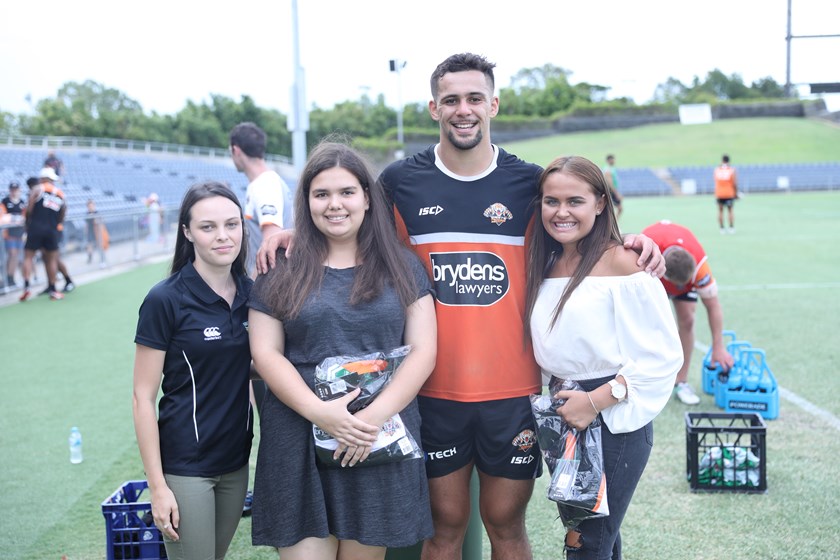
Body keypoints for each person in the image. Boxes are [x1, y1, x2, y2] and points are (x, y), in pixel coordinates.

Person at [258, 53, 665, 560]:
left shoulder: (528, 183)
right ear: (433, 107)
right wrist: (299, 230)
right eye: (451, 100)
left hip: (512, 392)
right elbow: (348, 219)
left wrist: (637, 242)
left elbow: (576, 224)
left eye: (475, 98)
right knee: (444, 528)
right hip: (430, 391)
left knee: (506, 525)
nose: (463, 109)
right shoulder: (400, 182)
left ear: (493, 104)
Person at [247, 140, 436, 559]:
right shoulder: (280, 266)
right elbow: (265, 353)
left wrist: (367, 421)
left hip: (374, 439)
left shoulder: (402, 266)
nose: (335, 205)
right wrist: (322, 414)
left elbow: (424, 351)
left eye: (346, 192)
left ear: (367, 198)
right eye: (321, 194)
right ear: (307, 202)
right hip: (297, 440)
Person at [525, 156, 683, 559]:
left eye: (574, 201)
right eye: (551, 201)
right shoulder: (544, 260)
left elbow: (663, 356)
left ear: (599, 203)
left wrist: (595, 402)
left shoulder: (624, 262)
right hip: (562, 411)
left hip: (612, 418)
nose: (561, 212)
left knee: (585, 543)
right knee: (600, 541)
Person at [132, 181, 254, 560]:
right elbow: (142, 397)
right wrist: (158, 486)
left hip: (236, 462)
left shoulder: (255, 294)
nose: (223, 236)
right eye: (208, 227)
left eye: (232, 224)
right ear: (187, 232)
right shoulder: (165, 299)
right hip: (187, 467)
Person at [642, 220, 735, 406]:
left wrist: (718, 347)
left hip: (678, 272)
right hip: (650, 275)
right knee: (645, 324)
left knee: (687, 320)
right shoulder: (644, 255)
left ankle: (681, 381)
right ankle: (640, 379)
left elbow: (713, 306)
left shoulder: (700, 267)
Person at [229, 121, 294, 279]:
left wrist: (252, 289)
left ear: (235, 150)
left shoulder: (265, 185)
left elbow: (271, 244)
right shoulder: (263, 183)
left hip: (269, 284)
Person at [19, 168, 68, 301]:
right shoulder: (61, 194)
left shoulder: (37, 189)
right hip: (51, 230)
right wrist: (54, 224)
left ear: (42, 178)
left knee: (28, 256)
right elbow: (63, 214)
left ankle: (27, 287)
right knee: (52, 259)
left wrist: (28, 223)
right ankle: (53, 289)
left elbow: (29, 209)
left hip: (35, 228)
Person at [1, 181, 26, 287]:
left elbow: (24, 217)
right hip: (8, 234)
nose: (14, 192)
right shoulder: (5, 201)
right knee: (12, 254)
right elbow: (3, 217)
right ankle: (8, 278)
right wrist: (13, 218)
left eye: (16, 190)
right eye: (12, 190)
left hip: (19, 233)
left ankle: (11, 277)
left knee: (16, 256)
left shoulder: (21, 202)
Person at [714, 154, 737, 233]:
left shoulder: (717, 169)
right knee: (730, 211)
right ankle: (731, 227)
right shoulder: (731, 170)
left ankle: (721, 228)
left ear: (722, 160)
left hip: (719, 193)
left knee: (720, 211)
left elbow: (715, 180)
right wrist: (736, 193)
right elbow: (734, 183)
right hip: (729, 193)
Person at [85, 199, 108, 267]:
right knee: (89, 246)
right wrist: (86, 231)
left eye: (92, 206)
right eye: (89, 206)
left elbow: (100, 222)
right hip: (90, 232)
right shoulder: (87, 214)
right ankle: (90, 257)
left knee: (100, 245)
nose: (91, 207)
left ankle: (102, 258)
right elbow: (86, 224)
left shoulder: (97, 213)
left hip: (97, 232)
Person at [602, 154, 623, 218]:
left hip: (611, 191)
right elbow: (610, 183)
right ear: (608, 160)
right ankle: (613, 223)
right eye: (612, 160)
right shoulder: (607, 170)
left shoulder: (611, 168)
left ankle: (613, 222)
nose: (614, 161)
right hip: (611, 191)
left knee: (614, 208)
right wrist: (616, 193)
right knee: (619, 208)